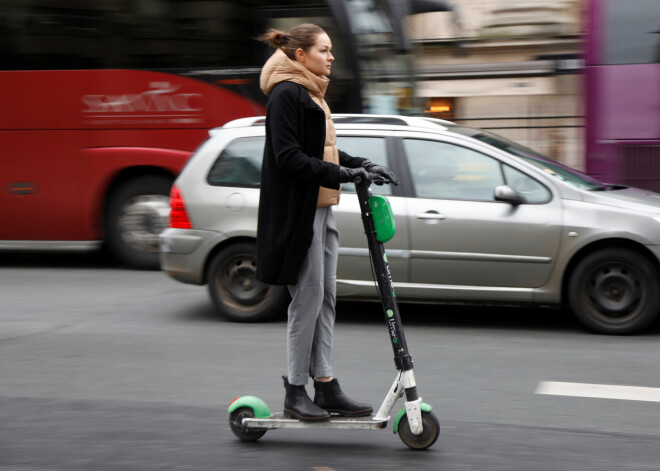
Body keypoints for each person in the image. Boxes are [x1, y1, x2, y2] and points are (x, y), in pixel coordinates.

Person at [256, 23, 398, 422]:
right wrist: (343, 175)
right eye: (324, 50)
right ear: (300, 55)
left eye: (331, 49)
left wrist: (361, 164)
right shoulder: (287, 94)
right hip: (298, 215)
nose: (331, 57)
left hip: (322, 208)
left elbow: (324, 149)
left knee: (326, 299)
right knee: (306, 301)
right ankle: (295, 389)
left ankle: (326, 385)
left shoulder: (310, 93)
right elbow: (288, 157)